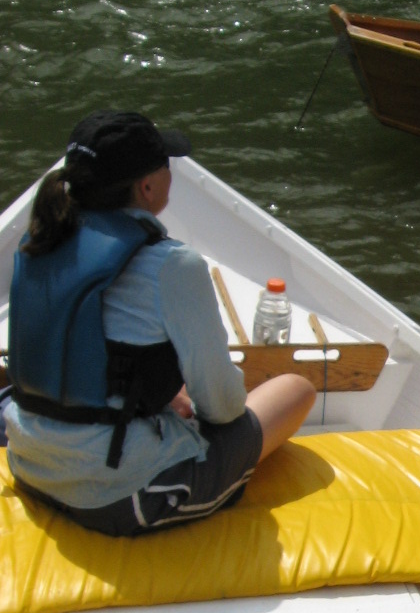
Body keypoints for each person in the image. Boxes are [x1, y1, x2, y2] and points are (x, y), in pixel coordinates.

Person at [5, 109, 316, 536]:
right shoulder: (171, 264)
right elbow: (224, 409)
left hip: (30, 463)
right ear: (148, 186)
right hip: (117, 495)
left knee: (175, 389)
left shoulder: (38, 239)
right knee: (295, 390)